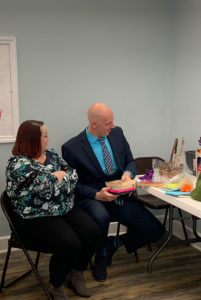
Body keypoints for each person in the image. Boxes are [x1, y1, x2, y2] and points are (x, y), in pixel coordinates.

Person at [62, 102, 164, 282]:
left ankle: (113, 244)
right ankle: (101, 254)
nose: (113, 126)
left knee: (155, 230)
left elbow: (131, 161)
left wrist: (128, 173)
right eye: (108, 123)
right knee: (101, 218)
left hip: (120, 195)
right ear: (94, 124)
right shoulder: (72, 147)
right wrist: (96, 195)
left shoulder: (117, 133)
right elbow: (73, 184)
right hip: (94, 197)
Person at [6, 120, 102, 300]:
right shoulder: (18, 165)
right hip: (34, 216)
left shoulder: (51, 155)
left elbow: (73, 175)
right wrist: (57, 179)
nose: (49, 138)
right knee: (70, 244)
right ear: (33, 139)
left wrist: (57, 179)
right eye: (45, 135)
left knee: (93, 233)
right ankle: (56, 284)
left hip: (62, 208)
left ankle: (76, 273)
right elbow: (46, 190)